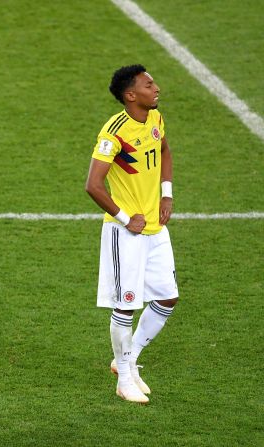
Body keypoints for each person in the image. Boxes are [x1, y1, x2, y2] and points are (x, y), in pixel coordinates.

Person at [85, 65, 179, 404]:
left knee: (168, 297)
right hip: (125, 233)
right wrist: (125, 219)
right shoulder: (114, 132)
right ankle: (124, 377)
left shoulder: (154, 119)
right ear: (130, 95)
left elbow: (164, 151)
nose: (156, 88)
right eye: (148, 84)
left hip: (155, 228)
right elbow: (93, 185)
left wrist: (166, 194)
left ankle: (129, 358)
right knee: (125, 305)